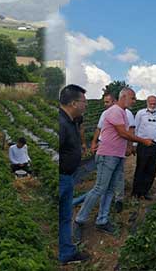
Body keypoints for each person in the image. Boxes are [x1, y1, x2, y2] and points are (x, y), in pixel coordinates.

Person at [73, 88, 152, 242]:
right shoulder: (115, 111)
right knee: (99, 188)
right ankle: (79, 220)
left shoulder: (123, 113)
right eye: (133, 98)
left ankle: (102, 220)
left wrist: (129, 147)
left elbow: (125, 134)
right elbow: (123, 133)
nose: (134, 101)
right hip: (107, 155)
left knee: (109, 190)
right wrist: (143, 141)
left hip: (117, 155)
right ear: (123, 97)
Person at [84, 92, 136, 213]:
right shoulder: (106, 113)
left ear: (114, 101)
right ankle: (90, 213)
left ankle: (118, 200)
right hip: (106, 149)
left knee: (117, 177)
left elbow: (130, 130)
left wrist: (130, 146)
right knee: (102, 184)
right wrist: (94, 142)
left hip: (117, 149)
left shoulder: (126, 113)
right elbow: (99, 128)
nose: (105, 104)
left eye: (107, 102)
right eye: (104, 102)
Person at [58, 84, 90, 265]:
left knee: (64, 217)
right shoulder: (61, 123)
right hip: (62, 178)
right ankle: (63, 252)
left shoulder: (71, 121)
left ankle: (66, 253)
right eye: (84, 102)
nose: (86, 105)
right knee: (61, 216)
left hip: (68, 177)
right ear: (73, 103)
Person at [132, 96, 156, 199]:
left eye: (154, 103)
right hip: (143, 144)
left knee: (151, 169)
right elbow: (135, 129)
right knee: (141, 167)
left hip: (155, 144)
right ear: (147, 102)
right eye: (151, 103)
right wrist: (134, 144)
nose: (153, 105)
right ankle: (136, 192)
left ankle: (144, 192)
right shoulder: (140, 113)